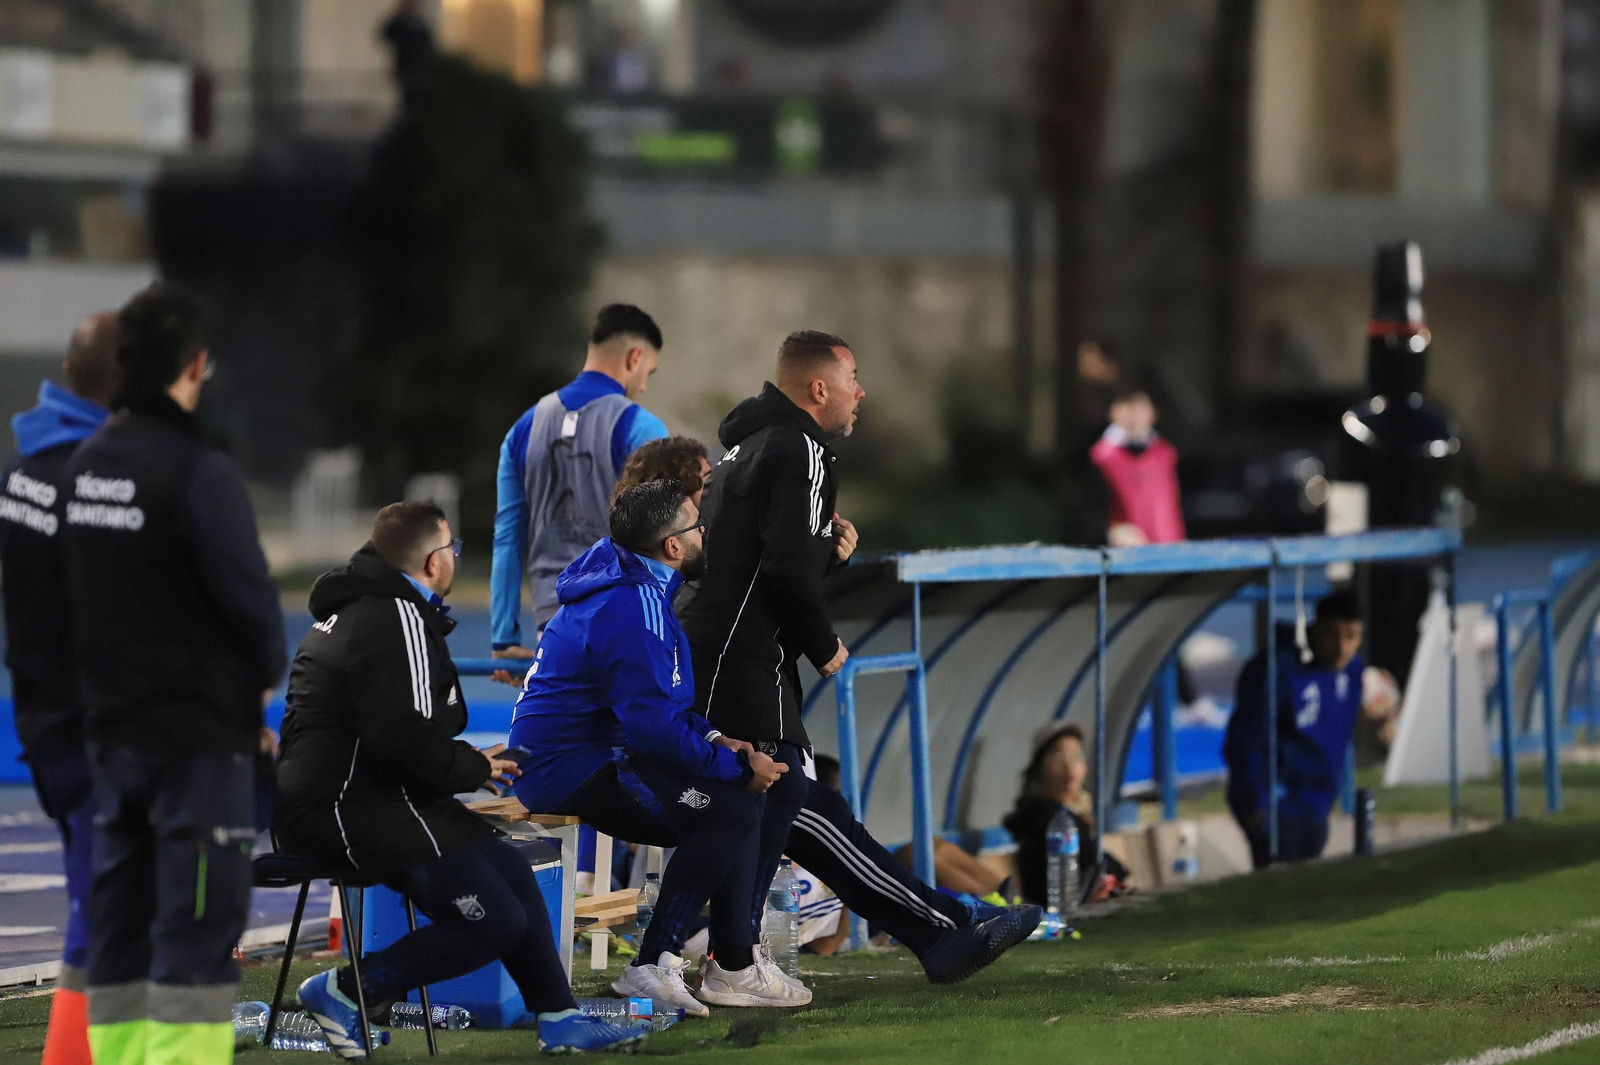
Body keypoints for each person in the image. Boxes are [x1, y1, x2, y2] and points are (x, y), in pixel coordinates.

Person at [678, 331, 1041, 994]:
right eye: (852, 377)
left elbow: (759, 560)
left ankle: (941, 924)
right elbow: (784, 570)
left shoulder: (745, 446)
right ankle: (718, 953)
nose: (860, 392)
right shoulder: (803, 449)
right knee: (783, 799)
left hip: (723, 655)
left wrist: (828, 556)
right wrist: (825, 644)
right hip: (743, 664)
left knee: (803, 804)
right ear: (819, 388)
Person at [275, 502, 641, 1057]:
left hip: (364, 797)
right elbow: (404, 743)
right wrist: (473, 767)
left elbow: (400, 735)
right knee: (494, 921)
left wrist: (472, 763)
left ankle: (560, 1017)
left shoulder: (373, 610)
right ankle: (347, 991)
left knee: (513, 873)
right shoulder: (393, 617)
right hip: (347, 810)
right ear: (431, 561)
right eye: (453, 550)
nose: (454, 559)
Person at [62, 283, 287, 1065]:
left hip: (113, 742)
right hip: (196, 745)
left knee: (120, 929)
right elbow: (255, 607)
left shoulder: (88, 465)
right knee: (195, 935)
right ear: (196, 364)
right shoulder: (198, 470)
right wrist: (261, 681)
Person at [508, 480, 796, 1015]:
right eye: (696, 524)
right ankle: (656, 965)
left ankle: (731, 963)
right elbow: (651, 730)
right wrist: (734, 767)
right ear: (672, 546)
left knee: (746, 799)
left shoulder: (637, 584)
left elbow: (662, 706)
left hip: (595, 752)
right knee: (730, 810)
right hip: (570, 766)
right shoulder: (631, 604)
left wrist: (717, 742)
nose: (704, 532)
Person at [0, 311, 118, 1065]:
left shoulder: (22, 473)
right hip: (101, 731)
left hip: (46, 726)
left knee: (98, 905)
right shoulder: (92, 479)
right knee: (113, 912)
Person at [490, 304, 670, 681]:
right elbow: (664, 540)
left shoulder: (522, 428)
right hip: (625, 627)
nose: (645, 385)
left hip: (552, 631)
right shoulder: (642, 428)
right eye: (648, 373)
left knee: (558, 737)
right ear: (635, 357)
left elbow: (507, 538)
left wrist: (503, 635)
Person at [1224, 590, 1365, 868]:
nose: (1341, 648)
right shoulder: (1277, 671)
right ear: (1313, 631)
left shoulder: (1352, 672)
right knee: (1280, 889)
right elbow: (1246, 739)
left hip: (1317, 806)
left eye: (1351, 637)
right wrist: (1256, 805)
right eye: (1332, 635)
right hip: (1276, 805)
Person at [1002, 725, 1127, 907]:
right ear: (1040, 767)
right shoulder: (1047, 817)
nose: (1069, 766)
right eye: (1058, 757)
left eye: (1076, 756)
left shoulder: (1072, 814)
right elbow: (1096, 867)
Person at [1086, 387, 1184, 547]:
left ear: (1152, 414)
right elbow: (1091, 516)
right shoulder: (1101, 458)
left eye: (1140, 407)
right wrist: (1110, 533)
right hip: (1127, 557)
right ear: (1113, 413)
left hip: (1171, 552)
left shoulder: (1167, 454)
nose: (1134, 416)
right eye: (1127, 407)